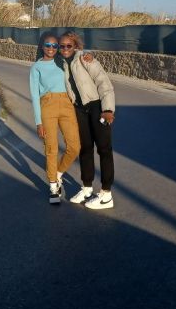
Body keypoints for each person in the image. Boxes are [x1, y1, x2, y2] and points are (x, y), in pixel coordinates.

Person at [58, 31, 116, 210]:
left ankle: (106, 194)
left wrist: (107, 109)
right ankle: (87, 188)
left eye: (69, 46)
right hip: (80, 109)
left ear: (75, 46)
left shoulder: (85, 59)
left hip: (97, 106)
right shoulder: (61, 64)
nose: (65, 49)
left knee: (104, 149)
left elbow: (103, 82)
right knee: (86, 148)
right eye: (62, 46)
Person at [29, 33, 81, 204]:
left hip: (66, 104)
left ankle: (57, 174)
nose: (51, 49)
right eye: (48, 45)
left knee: (74, 146)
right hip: (47, 105)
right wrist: (38, 121)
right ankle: (53, 186)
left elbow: (76, 52)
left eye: (54, 46)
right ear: (42, 46)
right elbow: (35, 96)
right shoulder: (36, 67)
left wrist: (87, 54)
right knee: (51, 148)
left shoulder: (62, 61)